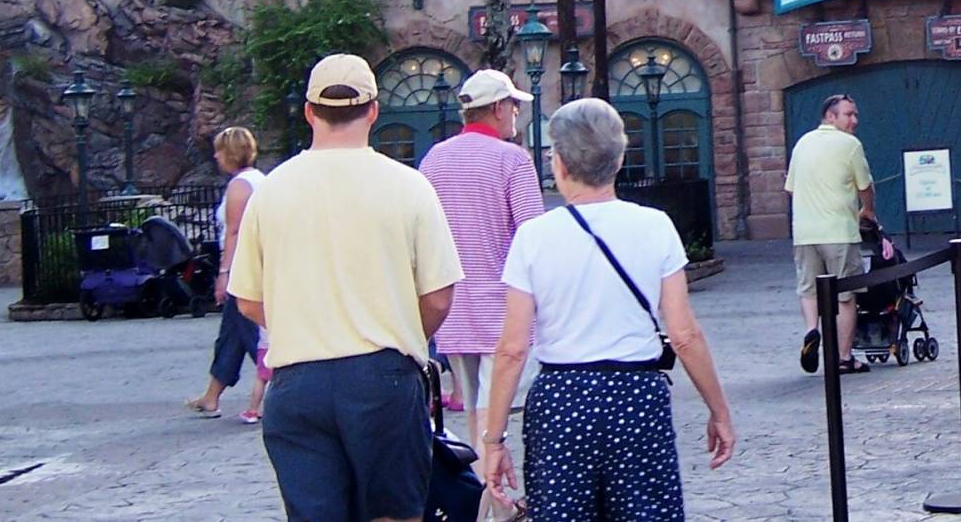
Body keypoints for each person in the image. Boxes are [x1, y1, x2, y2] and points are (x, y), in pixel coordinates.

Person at [228, 53, 465, 522]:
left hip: (298, 380)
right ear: (374, 110)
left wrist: (307, 320)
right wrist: (395, 325)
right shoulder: (409, 187)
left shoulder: (270, 192)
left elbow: (248, 300)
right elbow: (438, 296)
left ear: (310, 111)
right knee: (394, 514)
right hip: (383, 375)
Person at [480, 98, 734, 521]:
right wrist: (719, 411)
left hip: (563, 398)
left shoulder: (533, 237)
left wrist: (493, 439)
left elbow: (510, 349)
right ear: (618, 161)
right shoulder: (655, 227)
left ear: (559, 163)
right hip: (636, 394)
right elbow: (684, 335)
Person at [419, 69, 545, 470]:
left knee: (473, 408)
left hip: (452, 304)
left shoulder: (434, 159)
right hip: (503, 304)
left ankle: (487, 502)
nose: (515, 115)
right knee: (496, 415)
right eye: (512, 106)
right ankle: (490, 505)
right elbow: (532, 232)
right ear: (497, 108)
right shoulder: (512, 159)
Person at [783, 93, 875, 375]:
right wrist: (867, 211)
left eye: (855, 114)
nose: (854, 120)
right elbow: (865, 187)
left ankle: (812, 330)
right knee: (846, 295)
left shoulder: (802, 143)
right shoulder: (850, 145)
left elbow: (791, 188)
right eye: (849, 114)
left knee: (809, 289)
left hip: (805, 232)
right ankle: (844, 358)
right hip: (839, 231)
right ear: (830, 116)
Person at [185, 125, 267, 422]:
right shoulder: (259, 180)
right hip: (255, 265)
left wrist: (225, 272)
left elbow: (233, 232)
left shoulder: (240, 186)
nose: (216, 157)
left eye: (220, 150)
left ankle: (280, 384)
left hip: (243, 269)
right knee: (231, 334)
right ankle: (212, 395)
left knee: (250, 333)